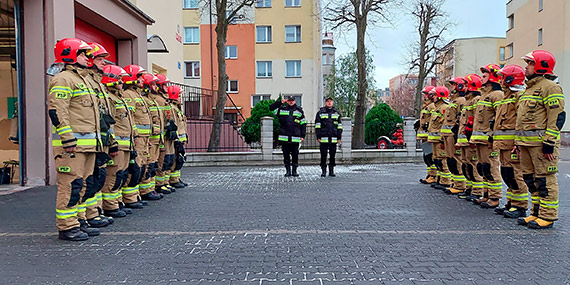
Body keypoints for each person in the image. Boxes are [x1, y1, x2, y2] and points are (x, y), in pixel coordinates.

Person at [48, 38, 99, 241]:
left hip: (87, 145)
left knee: (83, 185)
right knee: (71, 185)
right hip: (72, 146)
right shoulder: (63, 79)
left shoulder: (83, 79)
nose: (88, 58)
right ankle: (67, 227)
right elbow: (57, 110)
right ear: (69, 54)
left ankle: (79, 221)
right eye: (83, 54)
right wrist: (68, 139)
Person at [516, 50, 565, 229]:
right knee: (530, 179)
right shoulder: (528, 89)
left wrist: (549, 142)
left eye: (529, 63)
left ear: (540, 66)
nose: (526, 67)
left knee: (545, 180)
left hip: (541, 144)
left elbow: (557, 117)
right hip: (526, 144)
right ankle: (535, 213)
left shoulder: (550, 87)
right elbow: (521, 120)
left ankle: (548, 216)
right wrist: (517, 143)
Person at [81, 42, 118, 228]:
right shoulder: (83, 81)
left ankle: (94, 213)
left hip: (98, 141)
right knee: (88, 181)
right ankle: (85, 217)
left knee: (97, 178)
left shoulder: (96, 83)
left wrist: (111, 141)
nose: (104, 63)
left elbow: (105, 117)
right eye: (100, 59)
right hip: (83, 143)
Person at [122, 65, 162, 203]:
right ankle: (130, 198)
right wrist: (136, 135)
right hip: (137, 139)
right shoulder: (128, 95)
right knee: (136, 167)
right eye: (139, 77)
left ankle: (139, 194)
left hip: (144, 139)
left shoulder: (137, 95)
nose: (141, 80)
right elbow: (130, 117)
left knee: (144, 166)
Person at [493, 64, 529, 218]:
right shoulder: (505, 98)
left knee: (516, 175)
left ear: (510, 79)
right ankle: (511, 202)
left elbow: (522, 121)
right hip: (503, 144)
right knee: (507, 174)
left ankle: (520, 206)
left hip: (512, 145)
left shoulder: (519, 96)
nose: (500, 80)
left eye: (502, 77)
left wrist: (518, 143)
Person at [469, 64, 504, 208]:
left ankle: (494, 198)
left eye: (484, 76)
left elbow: (498, 118)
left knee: (491, 168)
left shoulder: (497, 95)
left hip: (488, 141)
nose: (481, 79)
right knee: (483, 168)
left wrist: (492, 137)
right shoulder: (483, 96)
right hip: (479, 140)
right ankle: (486, 194)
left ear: (493, 77)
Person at [456, 74, 485, 201]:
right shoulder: (468, 101)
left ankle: (477, 190)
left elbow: (475, 119)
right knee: (466, 165)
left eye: (467, 85)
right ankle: (470, 188)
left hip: (470, 140)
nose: (464, 87)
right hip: (464, 140)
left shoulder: (476, 99)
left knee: (473, 165)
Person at [269, 96, 307, 177]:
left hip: (295, 137)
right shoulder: (282, 109)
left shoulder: (299, 110)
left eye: (292, 100)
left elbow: (303, 124)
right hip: (284, 137)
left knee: (295, 155)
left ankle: (294, 171)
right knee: (286, 155)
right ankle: (288, 171)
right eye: (289, 101)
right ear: (287, 101)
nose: (291, 102)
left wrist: (303, 135)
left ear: (295, 101)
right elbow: (271, 108)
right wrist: (280, 102)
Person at [442, 77, 467, 195]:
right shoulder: (452, 101)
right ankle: (454, 183)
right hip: (447, 135)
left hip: (453, 134)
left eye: (453, 85)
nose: (451, 88)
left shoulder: (461, 100)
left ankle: (460, 185)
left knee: (457, 160)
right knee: (450, 160)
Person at [164, 83, 189, 188]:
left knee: (179, 159)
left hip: (180, 139)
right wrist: (177, 140)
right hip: (176, 140)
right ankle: (173, 180)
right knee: (174, 160)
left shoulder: (177, 108)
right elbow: (175, 125)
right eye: (179, 96)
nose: (180, 98)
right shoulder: (172, 108)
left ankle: (176, 178)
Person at [427, 86, 451, 190]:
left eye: (435, 95)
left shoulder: (444, 108)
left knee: (442, 160)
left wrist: (442, 138)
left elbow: (444, 124)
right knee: (436, 160)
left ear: (441, 96)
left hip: (440, 139)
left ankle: (445, 181)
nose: (433, 97)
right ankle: (440, 179)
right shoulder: (436, 107)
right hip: (435, 139)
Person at [315, 97, 342, 177]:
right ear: (325, 103)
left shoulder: (336, 113)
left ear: (332, 102)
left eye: (330, 101)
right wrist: (318, 136)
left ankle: (331, 171)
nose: (329, 103)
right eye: (327, 102)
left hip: (333, 139)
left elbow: (339, 126)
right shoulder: (320, 113)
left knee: (332, 156)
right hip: (323, 139)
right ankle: (323, 171)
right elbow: (317, 126)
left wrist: (339, 137)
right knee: (323, 156)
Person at [416, 86, 437, 184]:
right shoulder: (426, 105)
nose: (424, 96)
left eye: (426, 94)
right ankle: (430, 174)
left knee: (431, 157)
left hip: (429, 137)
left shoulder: (432, 106)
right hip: (425, 137)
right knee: (427, 157)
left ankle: (433, 176)